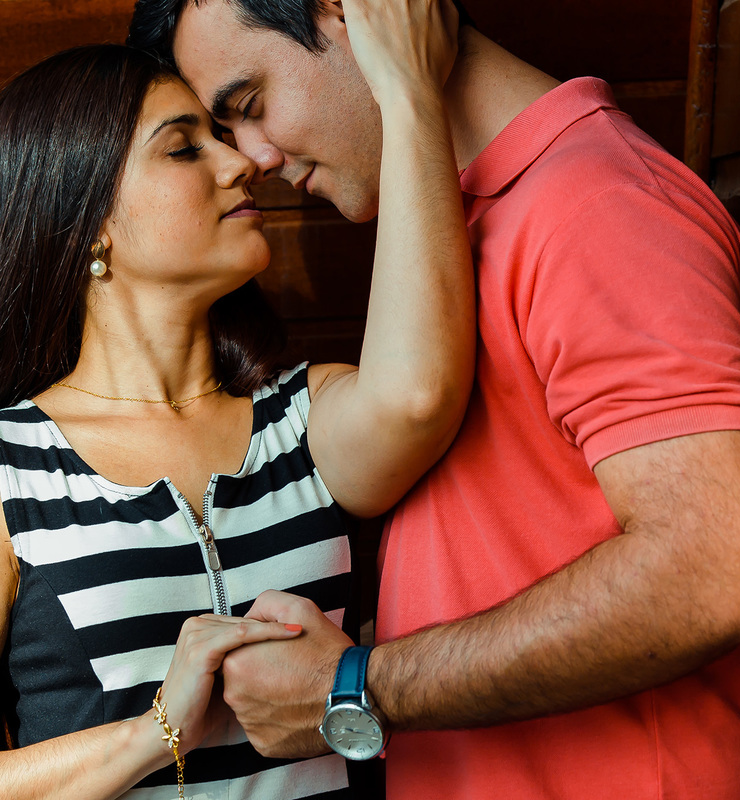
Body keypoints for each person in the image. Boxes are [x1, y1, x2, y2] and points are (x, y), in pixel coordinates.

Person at [129, 1, 740, 798]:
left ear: (353, 13)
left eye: (251, 103)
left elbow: (711, 573)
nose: (254, 156)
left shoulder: (597, 205)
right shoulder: (459, 224)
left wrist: (356, 684)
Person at [0, 2, 471, 796]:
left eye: (226, 135)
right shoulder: (12, 470)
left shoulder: (302, 419)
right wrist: (158, 733)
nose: (242, 163)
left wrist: (410, 96)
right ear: (90, 224)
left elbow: (419, 398)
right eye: (185, 148)